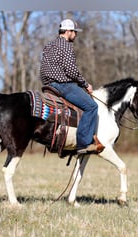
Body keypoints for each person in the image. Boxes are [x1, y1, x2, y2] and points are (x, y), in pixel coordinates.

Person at [40, 18, 104, 154]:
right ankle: (84, 144)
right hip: (62, 85)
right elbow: (71, 70)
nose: (76, 35)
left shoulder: (49, 46)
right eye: (74, 32)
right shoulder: (66, 46)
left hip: (48, 85)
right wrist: (85, 84)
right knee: (92, 107)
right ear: (68, 31)